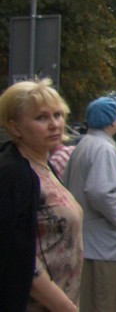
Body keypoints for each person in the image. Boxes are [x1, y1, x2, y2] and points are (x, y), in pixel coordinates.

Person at [0, 79, 83, 312]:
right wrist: (66, 307)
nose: (55, 124)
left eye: (58, 115)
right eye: (41, 118)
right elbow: (18, 258)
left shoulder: (43, 164)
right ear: (15, 127)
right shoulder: (14, 173)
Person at [64, 96, 116, 311]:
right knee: (102, 300)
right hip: (101, 245)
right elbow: (100, 191)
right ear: (112, 121)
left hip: (91, 241)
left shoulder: (84, 143)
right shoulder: (103, 147)